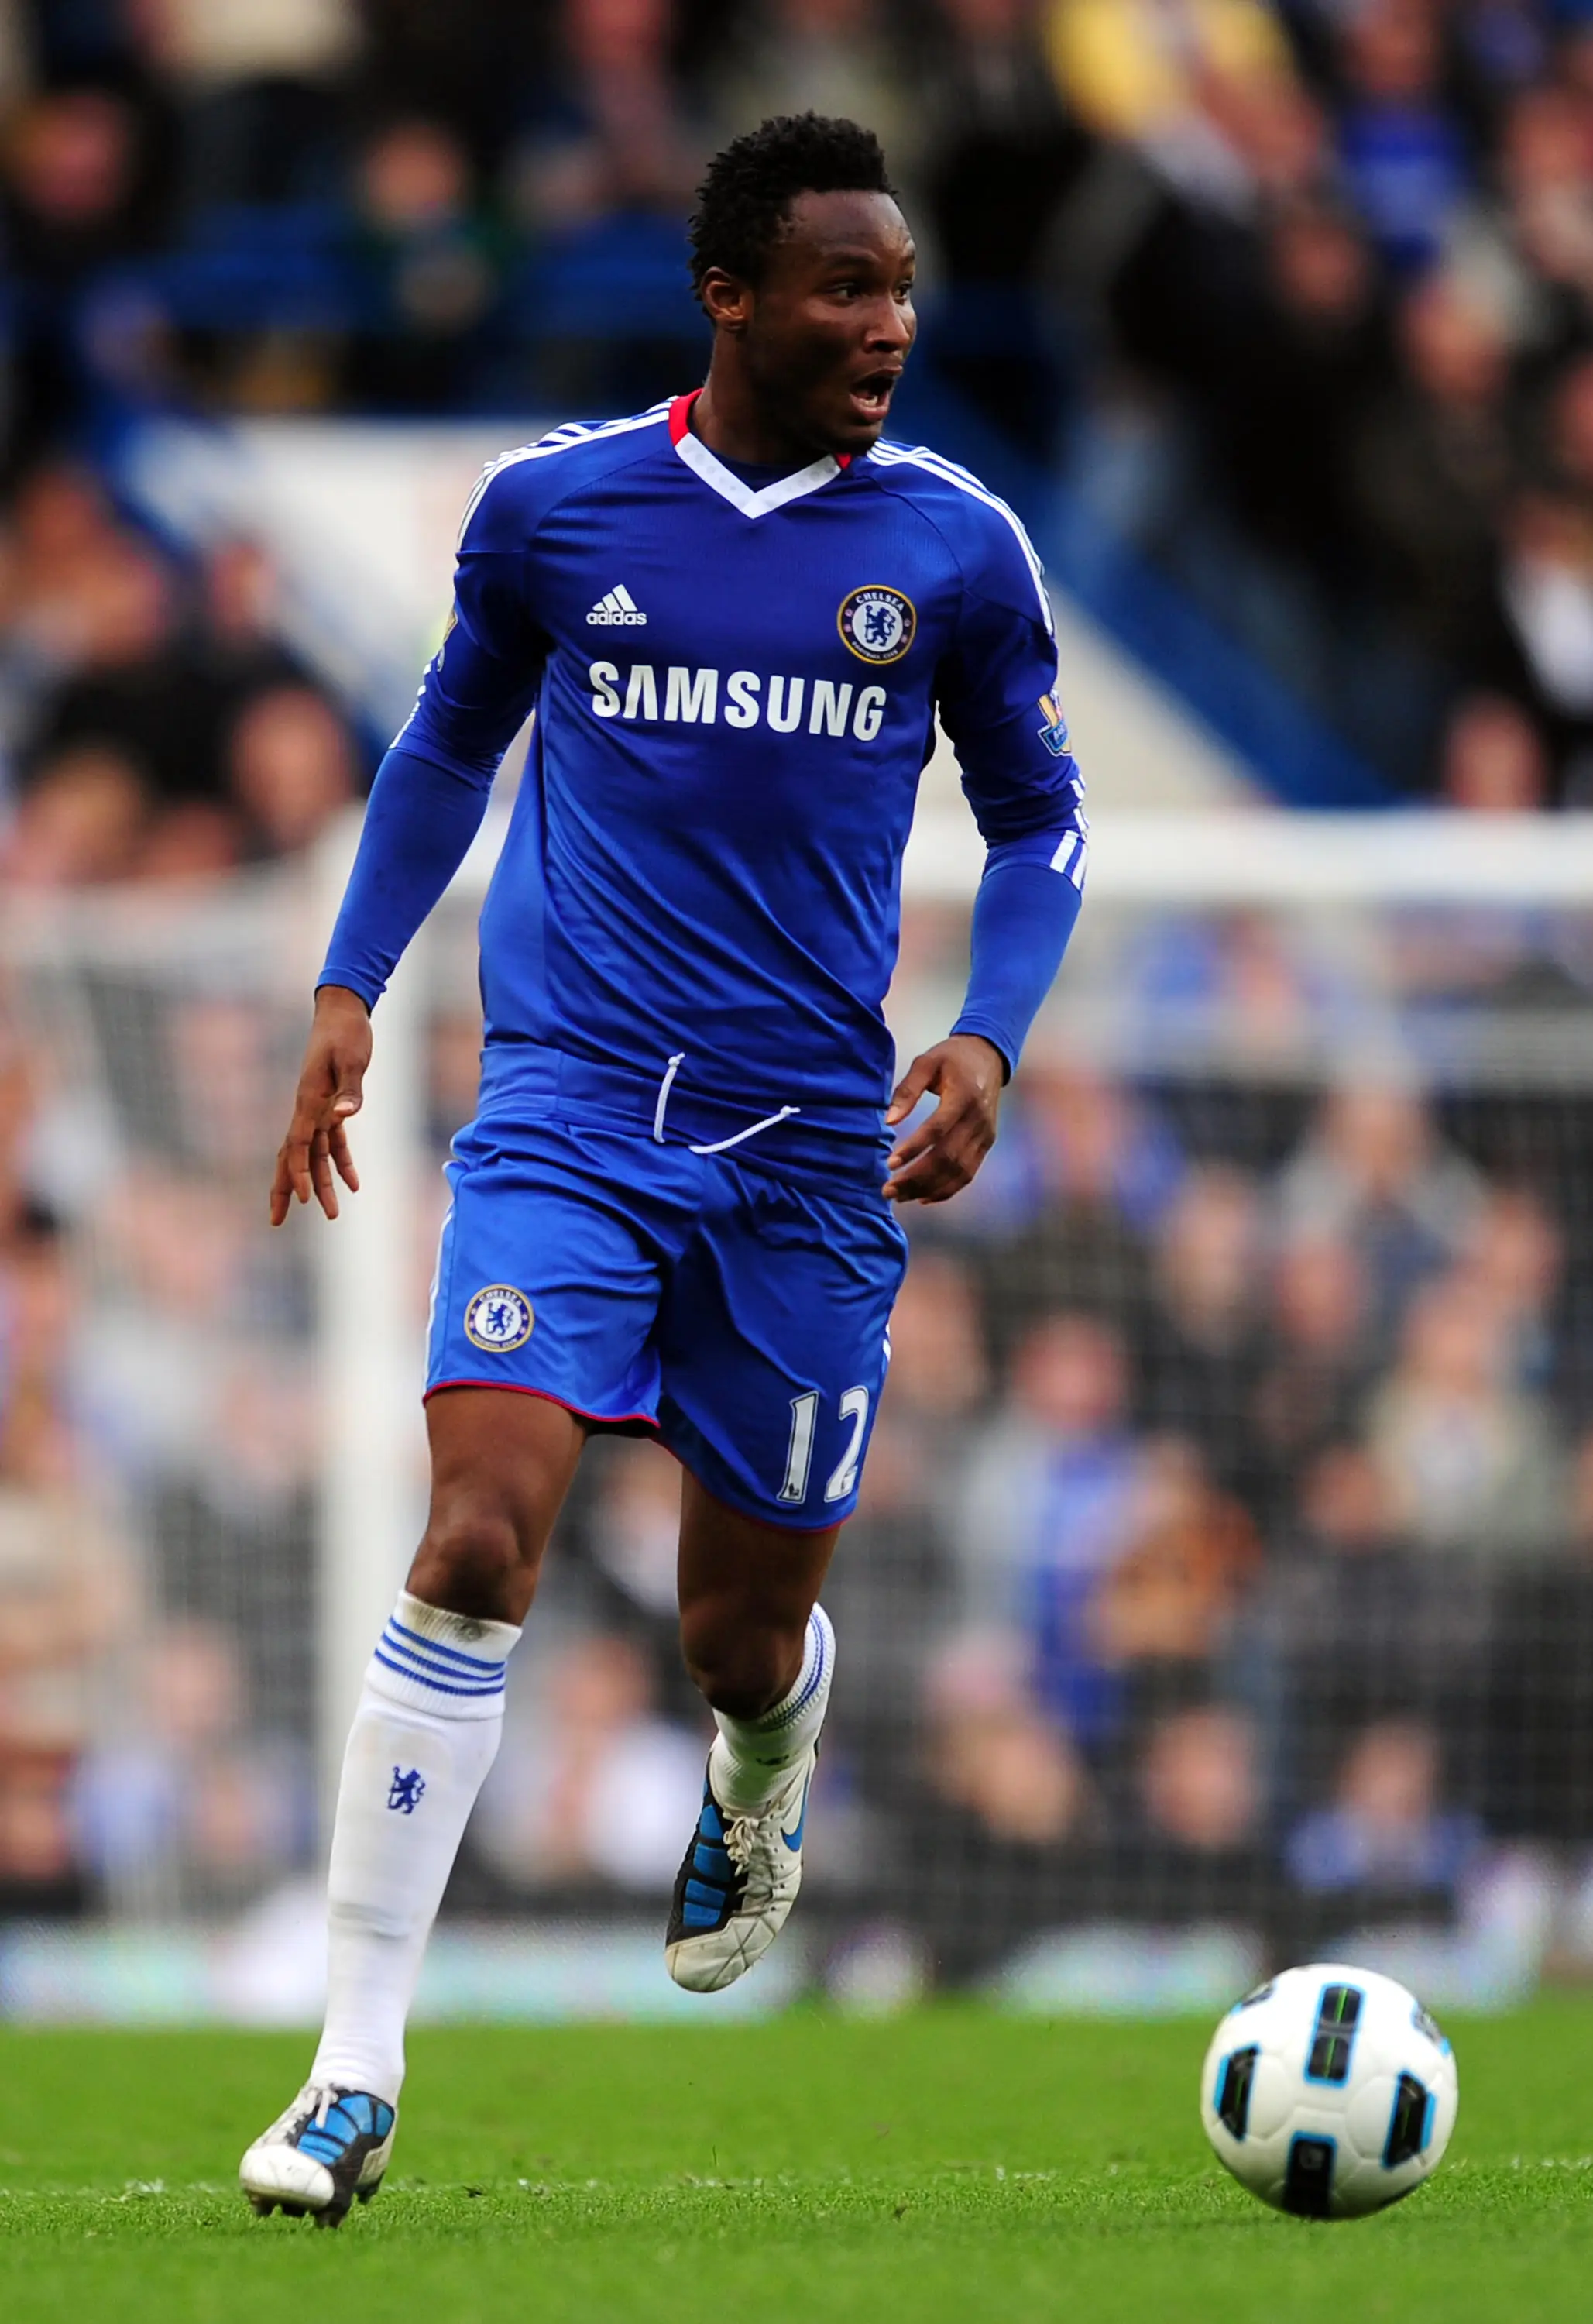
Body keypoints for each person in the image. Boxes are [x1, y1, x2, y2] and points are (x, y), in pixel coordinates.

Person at [238, 112, 1087, 2225]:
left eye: (902, 289)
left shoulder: (958, 550)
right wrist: (351, 984)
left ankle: (766, 1757)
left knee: (736, 1635)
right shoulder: (556, 509)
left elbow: (1042, 825)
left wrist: (989, 1032)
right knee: (475, 1535)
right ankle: (351, 2071)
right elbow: (446, 743)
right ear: (730, 295)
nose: (888, 324)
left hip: (811, 1159)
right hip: (574, 1111)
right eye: (846, 286)